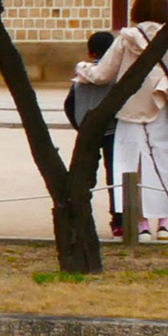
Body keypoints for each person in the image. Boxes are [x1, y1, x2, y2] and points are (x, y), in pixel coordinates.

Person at [77, 0, 168, 241]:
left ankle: (140, 223)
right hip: (163, 108)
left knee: (130, 165)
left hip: (130, 108)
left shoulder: (127, 37)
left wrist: (83, 69)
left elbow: (103, 74)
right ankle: (163, 224)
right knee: (163, 166)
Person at [65, 30, 121, 236]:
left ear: (90, 53)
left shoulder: (80, 77)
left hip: (87, 132)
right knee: (115, 175)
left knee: (84, 176)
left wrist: (79, 126)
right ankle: (119, 220)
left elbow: (69, 105)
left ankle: (78, 217)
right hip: (113, 131)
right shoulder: (117, 77)